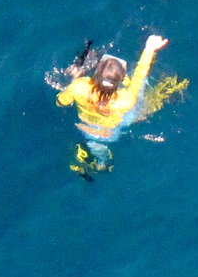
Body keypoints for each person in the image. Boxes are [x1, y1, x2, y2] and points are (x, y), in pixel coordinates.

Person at [56, 34, 177, 175]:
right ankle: (168, 89)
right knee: (142, 88)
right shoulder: (126, 99)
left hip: (88, 129)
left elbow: (60, 102)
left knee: (98, 151)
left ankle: (95, 164)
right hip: (112, 131)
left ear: (96, 73)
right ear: (118, 82)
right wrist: (149, 49)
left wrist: (74, 82)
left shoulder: (79, 87)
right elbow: (139, 75)